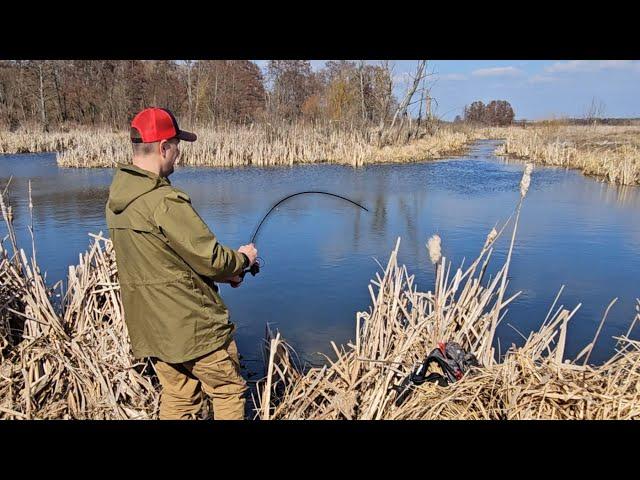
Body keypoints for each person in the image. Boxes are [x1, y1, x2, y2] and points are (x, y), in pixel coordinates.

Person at [105, 107, 257, 420]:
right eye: (176, 146)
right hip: (191, 326)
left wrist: (224, 274)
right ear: (163, 147)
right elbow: (212, 258)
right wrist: (243, 260)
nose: (179, 155)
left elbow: (164, 259)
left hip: (153, 328)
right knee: (228, 391)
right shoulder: (162, 201)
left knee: (180, 397)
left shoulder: (117, 201)